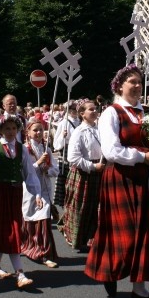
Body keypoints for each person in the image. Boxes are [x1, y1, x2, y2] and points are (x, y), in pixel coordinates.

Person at [85, 64, 149, 298]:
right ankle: (109, 270)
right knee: (121, 233)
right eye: (132, 81)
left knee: (145, 232)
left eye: (139, 82)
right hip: (121, 178)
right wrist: (142, 156)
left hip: (146, 180)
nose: (136, 86)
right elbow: (111, 150)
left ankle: (139, 287)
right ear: (120, 86)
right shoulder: (112, 113)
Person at [0, 114, 42, 289]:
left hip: (15, 193)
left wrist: (36, 194)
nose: (11, 132)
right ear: (0, 130)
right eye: (7, 128)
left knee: (8, 228)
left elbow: (29, 173)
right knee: (11, 229)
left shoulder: (22, 149)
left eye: (14, 128)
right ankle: (20, 273)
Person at [61, 100, 104, 251]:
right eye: (90, 109)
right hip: (83, 174)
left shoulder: (100, 130)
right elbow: (72, 157)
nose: (94, 111)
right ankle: (76, 238)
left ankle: (94, 238)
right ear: (82, 114)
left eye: (95, 109)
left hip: (100, 172)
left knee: (97, 207)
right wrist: (92, 166)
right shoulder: (78, 132)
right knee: (81, 207)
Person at [20, 118, 59, 268]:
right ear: (28, 133)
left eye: (41, 130)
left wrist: (47, 169)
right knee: (32, 220)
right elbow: (24, 171)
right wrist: (37, 164)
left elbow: (55, 170)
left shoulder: (46, 149)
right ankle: (31, 247)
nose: (38, 133)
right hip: (31, 191)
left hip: (45, 190)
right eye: (35, 130)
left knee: (44, 221)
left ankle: (45, 253)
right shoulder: (24, 149)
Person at [52, 100, 81, 207]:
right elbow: (56, 144)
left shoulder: (80, 121)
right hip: (66, 153)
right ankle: (64, 204)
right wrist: (63, 136)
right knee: (66, 180)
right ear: (68, 110)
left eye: (76, 109)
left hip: (78, 152)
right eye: (72, 109)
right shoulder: (64, 123)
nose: (75, 111)